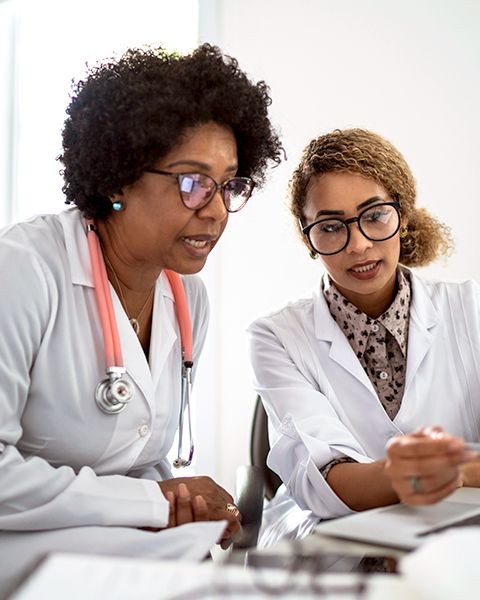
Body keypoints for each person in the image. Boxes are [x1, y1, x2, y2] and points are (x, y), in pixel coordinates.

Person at [0, 43, 282, 592]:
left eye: (229, 185)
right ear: (117, 178)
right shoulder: (25, 271)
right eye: (192, 181)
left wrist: (179, 500)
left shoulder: (186, 298)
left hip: (111, 550)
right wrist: (150, 501)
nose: (217, 208)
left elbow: (136, 457)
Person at [247, 128, 480, 546]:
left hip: (458, 538)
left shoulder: (471, 309)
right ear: (308, 239)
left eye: (374, 216)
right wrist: (425, 472)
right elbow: (322, 480)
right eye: (332, 226)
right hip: (330, 541)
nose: (358, 245)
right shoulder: (275, 336)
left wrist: (448, 471)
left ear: (402, 215)